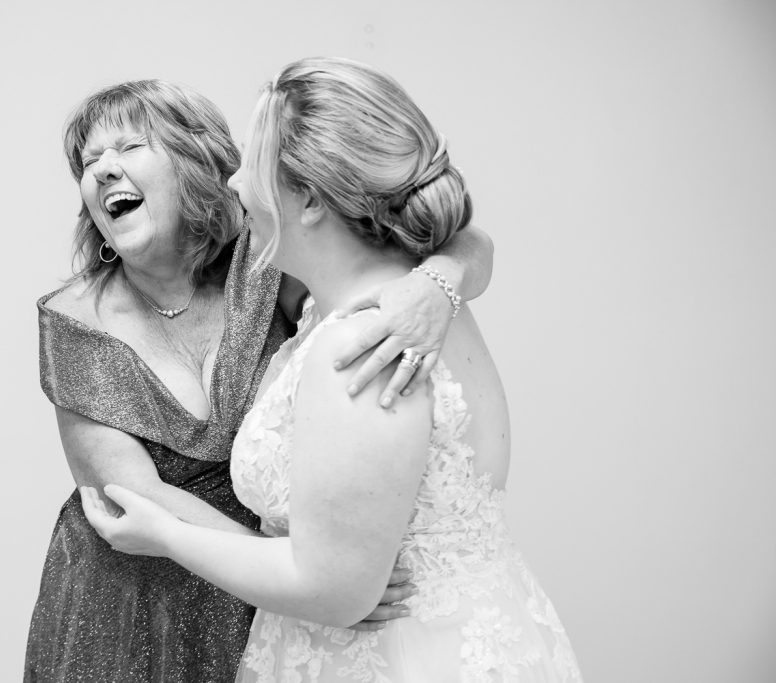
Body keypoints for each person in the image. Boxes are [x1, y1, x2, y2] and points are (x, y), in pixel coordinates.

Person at [81, 58, 583, 682]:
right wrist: (445, 275)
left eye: (252, 165)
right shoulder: (411, 293)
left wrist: (165, 536)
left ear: (313, 200)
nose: (234, 183)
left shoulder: (362, 343)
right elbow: (469, 246)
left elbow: (335, 592)